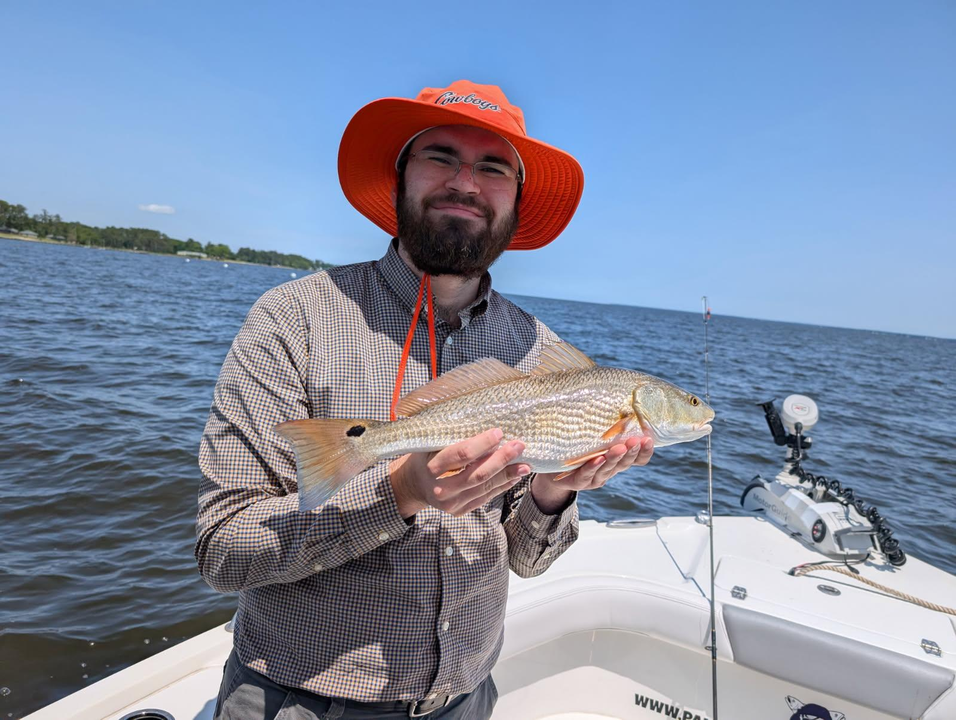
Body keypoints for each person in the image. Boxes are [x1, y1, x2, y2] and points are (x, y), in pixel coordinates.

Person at [196, 80, 654, 720]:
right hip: (299, 702)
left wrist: (556, 488)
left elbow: (528, 559)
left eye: (493, 168)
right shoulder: (293, 319)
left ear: (515, 199)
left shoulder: (542, 351)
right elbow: (223, 551)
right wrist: (399, 492)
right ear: (400, 177)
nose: (466, 183)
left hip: (465, 700)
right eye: (441, 156)